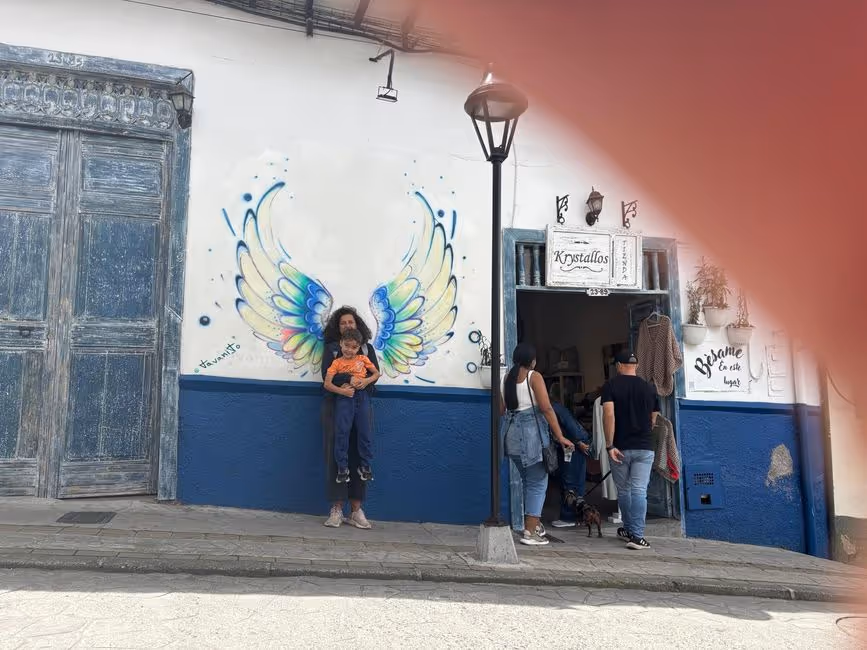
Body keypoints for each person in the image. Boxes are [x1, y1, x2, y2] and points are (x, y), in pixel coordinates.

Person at [500, 343, 575, 546]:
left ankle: (535, 524)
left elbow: (501, 410)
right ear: (532, 361)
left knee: (528, 481)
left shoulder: (505, 378)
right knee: (537, 483)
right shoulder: (534, 377)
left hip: (510, 436)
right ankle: (530, 532)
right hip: (530, 436)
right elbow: (546, 408)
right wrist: (560, 436)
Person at [320, 306, 380, 529]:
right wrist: (349, 379)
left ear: (357, 325)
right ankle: (336, 509)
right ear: (338, 327)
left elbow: (374, 374)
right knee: (337, 450)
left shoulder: (366, 349)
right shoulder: (332, 349)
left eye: (351, 322)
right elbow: (327, 376)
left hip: (360, 404)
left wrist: (362, 382)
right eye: (343, 322)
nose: (347, 325)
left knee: (359, 451)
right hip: (336, 405)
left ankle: (356, 510)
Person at [602, 350, 661, 550]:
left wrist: (609, 444)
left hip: (620, 447)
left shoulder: (611, 385)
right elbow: (654, 417)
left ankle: (629, 529)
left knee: (624, 490)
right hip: (644, 446)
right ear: (636, 366)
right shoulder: (649, 387)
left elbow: (609, 414)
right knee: (639, 490)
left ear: (619, 366)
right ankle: (637, 535)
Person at [324, 328, 381, 483]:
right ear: (341, 343)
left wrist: (366, 381)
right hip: (344, 399)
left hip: (362, 397)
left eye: (354, 347)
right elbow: (327, 384)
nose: (349, 350)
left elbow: (376, 373)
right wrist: (342, 392)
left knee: (365, 432)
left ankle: (365, 466)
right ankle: (342, 468)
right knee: (342, 433)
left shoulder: (363, 359)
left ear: (359, 347)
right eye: (346, 345)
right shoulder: (336, 363)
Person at [549, 400, 592, 529]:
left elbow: (569, 428)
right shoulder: (557, 407)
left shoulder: (551, 408)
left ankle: (568, 516)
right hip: (575, 445)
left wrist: (578, 442)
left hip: (571, 446)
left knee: (569, 482)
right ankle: (578, 516)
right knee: (577, 482)